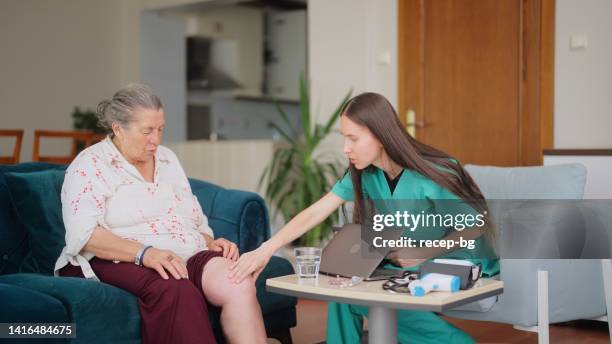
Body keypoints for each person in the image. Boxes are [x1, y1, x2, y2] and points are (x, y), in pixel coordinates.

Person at [229, 92, 499, 343]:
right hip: (406, 265)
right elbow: (318, 210)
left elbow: (476, 226)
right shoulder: (366, 174)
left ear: (380, 136)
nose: (346, 148)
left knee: (377, 299)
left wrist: (424, 252)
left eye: (354, 139)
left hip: (458, 262)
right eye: (344, 138)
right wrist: (266, 249)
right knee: (343, 293)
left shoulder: (433, 172)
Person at [54, 83, 267, 344]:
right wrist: (146, 253)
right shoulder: (90, 165)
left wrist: (211, 243)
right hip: (115, 257)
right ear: (118, 129)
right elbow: (84, 236)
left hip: (184, 253)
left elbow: (192, 217)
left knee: (237, 279)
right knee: (177, 287)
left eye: (160, 129)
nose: (156, 139)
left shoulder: (167, 159)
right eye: (147, 131)